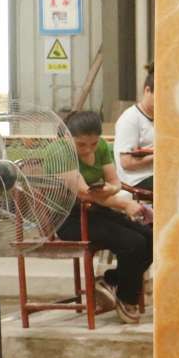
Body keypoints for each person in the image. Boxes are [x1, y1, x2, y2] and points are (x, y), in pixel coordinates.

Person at [49, 110, 153, 323]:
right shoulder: (58, 152)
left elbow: (114, 183)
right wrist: (123, 203)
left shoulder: (103, 147)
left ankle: (111, 281)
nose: (88, 150)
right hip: (70, 219)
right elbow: (83, 193)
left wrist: (112, 192)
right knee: (133, 243)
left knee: (151, 238)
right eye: (81, 145)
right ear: (68, 138)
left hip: (98, 210)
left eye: (93, 144)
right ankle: (126, 298)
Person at [115, 69, 154, 195]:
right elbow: (126, 163)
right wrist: (157, 156)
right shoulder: (130, 119)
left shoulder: (162, 118)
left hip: (157, 174)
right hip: (137, 180)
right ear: (147, 90)